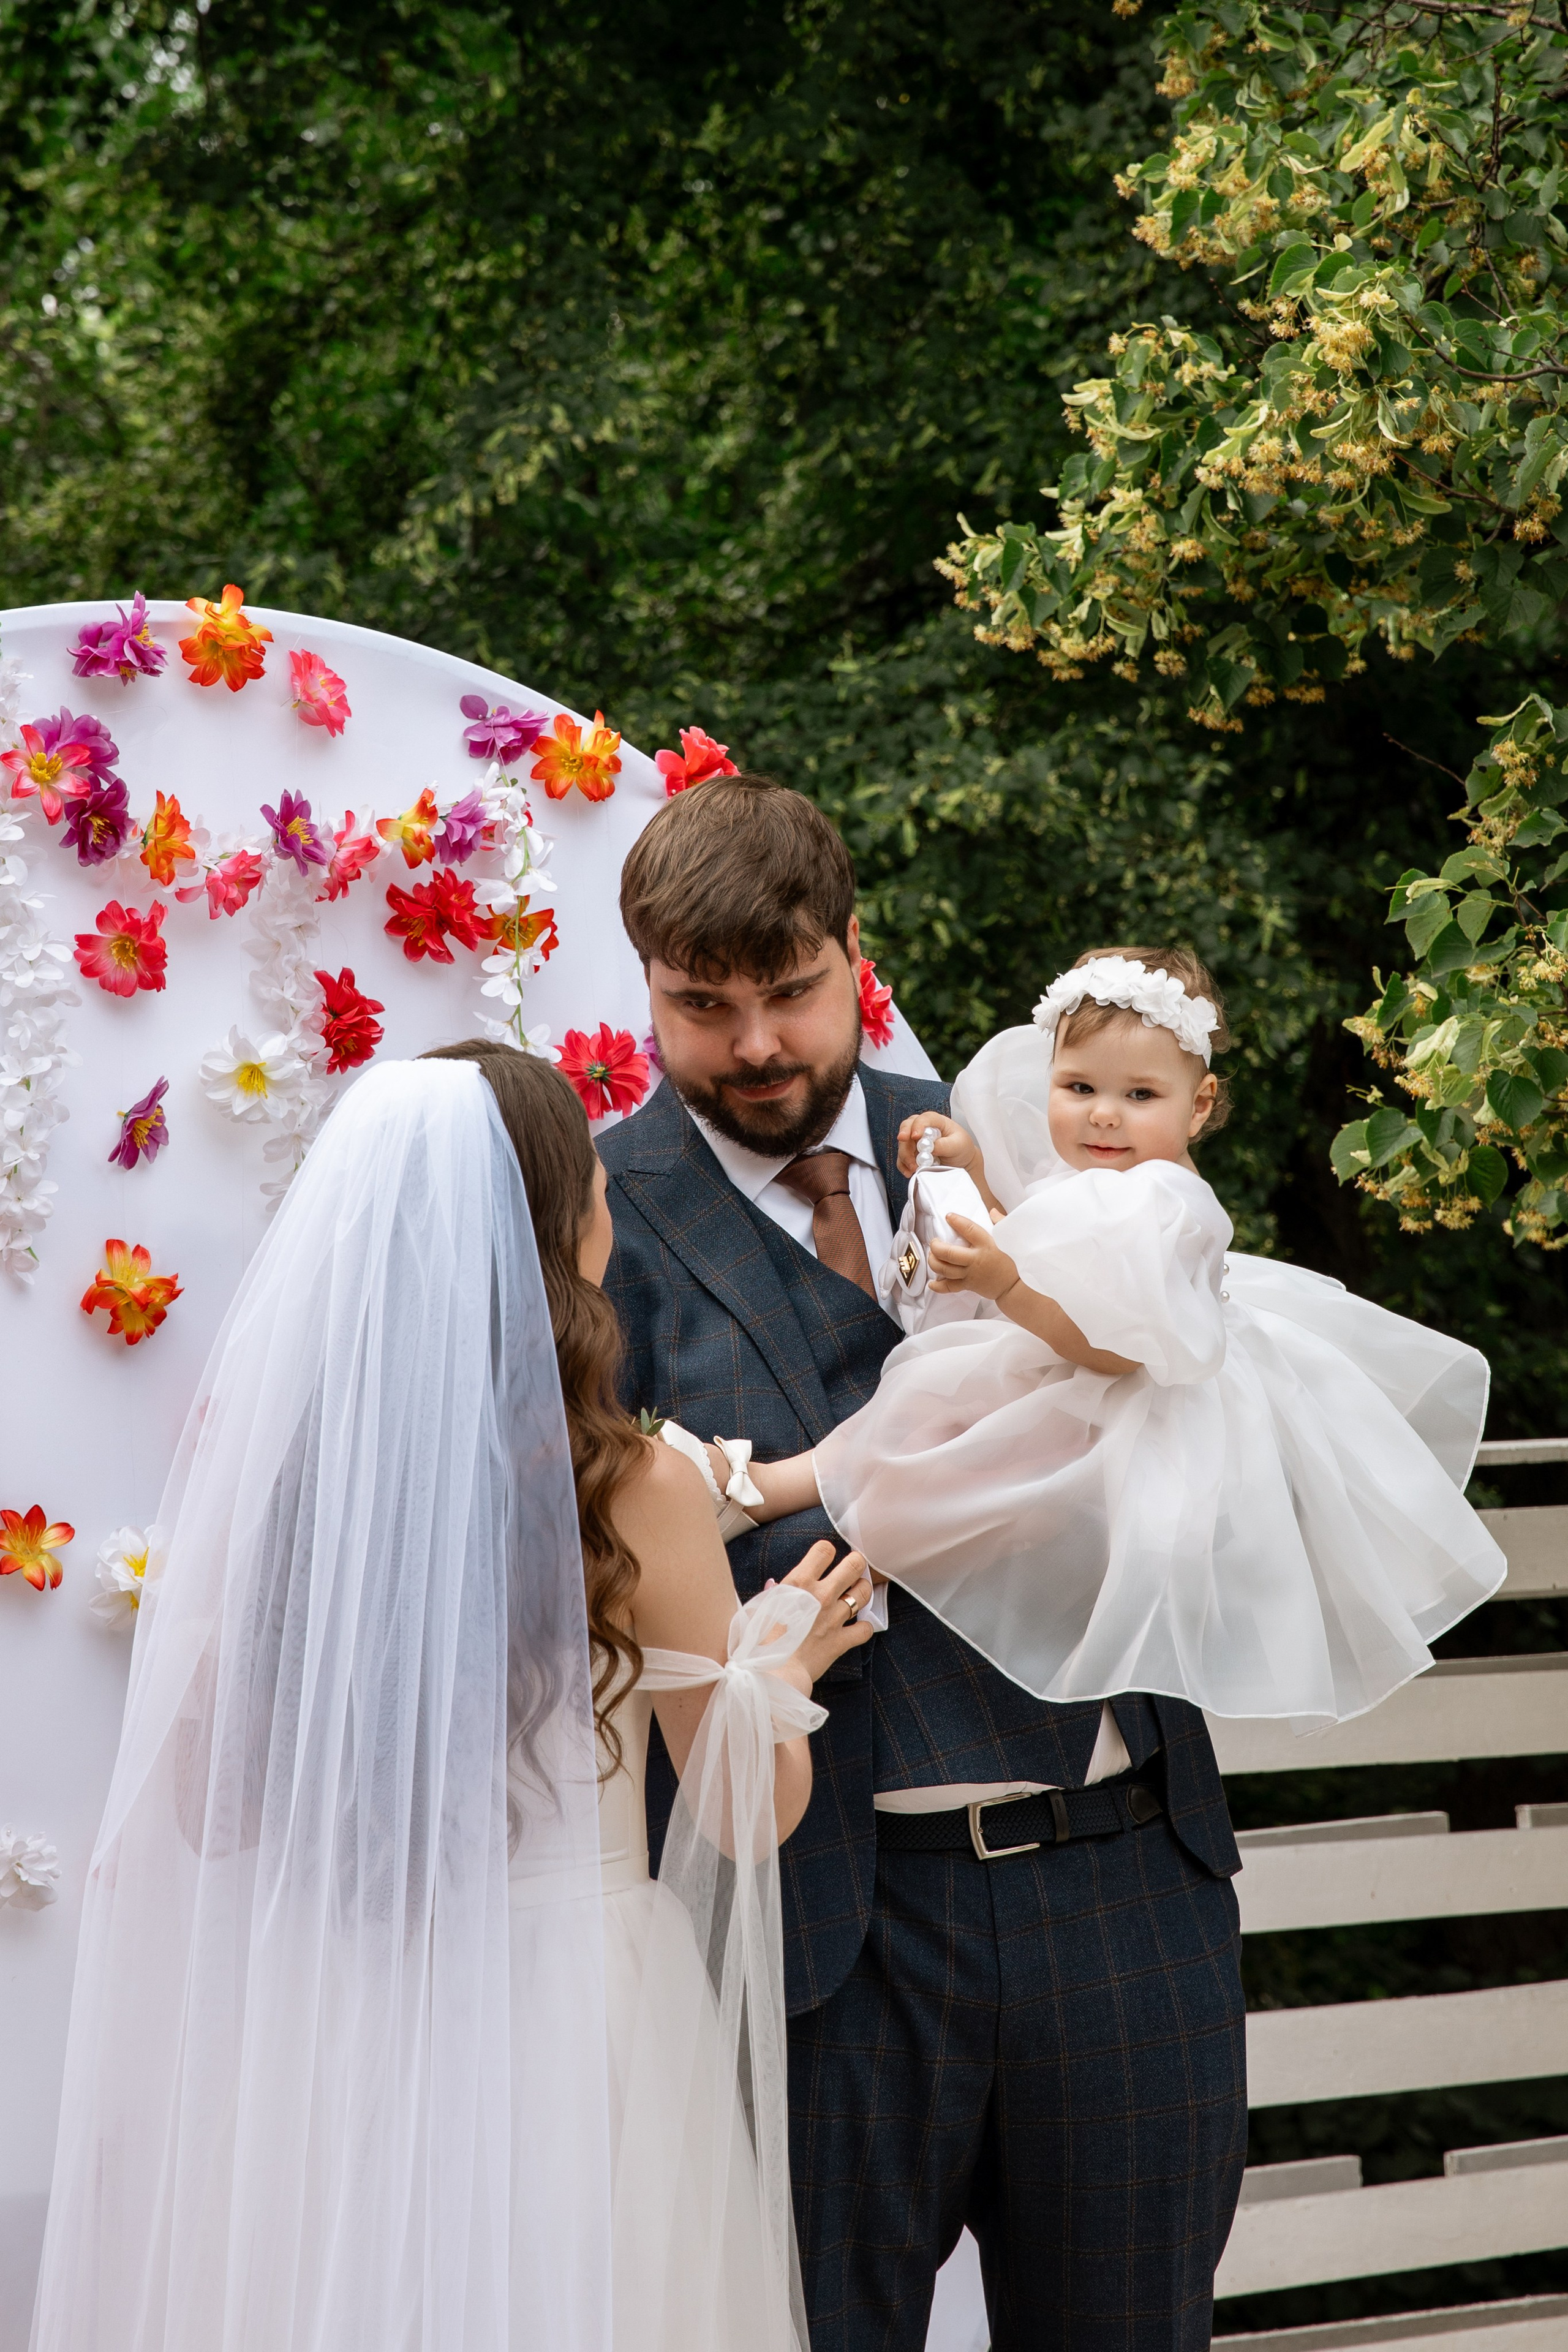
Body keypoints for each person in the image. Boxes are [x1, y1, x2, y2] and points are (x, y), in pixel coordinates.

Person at [30, 1049, 871, 2352]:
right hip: (574, 2025)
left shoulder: (301, 1483)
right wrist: (785, 1661)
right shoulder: (631, 1486)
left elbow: (208, 1809)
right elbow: (744, 1811)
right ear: (553, 1232)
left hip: (346, 2021)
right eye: (592, 1191)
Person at [597, 778, 1248, 2352]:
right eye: (703, 1006)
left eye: (791, 992)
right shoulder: (590, 1217)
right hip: (813, 1937)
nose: (755, 1043)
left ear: (852, 949)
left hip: (1122, 1876)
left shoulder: (1050, 1129)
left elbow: (1196, 1383)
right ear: (645, 989)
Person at [729, 948, 1506, 1725]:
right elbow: (1039, 1236)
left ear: (1198, 1105)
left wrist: (1003, 1286)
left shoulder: (1164, 1205)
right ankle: (784, 1497)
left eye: (1139, 1094)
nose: (1103, 1114)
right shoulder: (1102, 1178)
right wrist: (973, 1174)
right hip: (1071, 1379)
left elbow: (1112, 1348)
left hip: (1126, 1404)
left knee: (942, 1442)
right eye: (1078, 1088)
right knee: (927, 1418)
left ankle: (823, 1532)